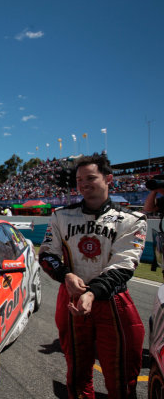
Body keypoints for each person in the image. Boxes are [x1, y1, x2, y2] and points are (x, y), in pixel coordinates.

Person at [39, 153, 147, 399]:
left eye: (90, 178)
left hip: (113, 301)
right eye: (79, 180)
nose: (84, 184)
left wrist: (93, 292)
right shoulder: (60, 216)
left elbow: (124, 264)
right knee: (76, 371)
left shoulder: (132, 220)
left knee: (122, 374)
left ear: (108, 178)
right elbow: (46, 255)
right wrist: (65, 276)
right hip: (71, 297)